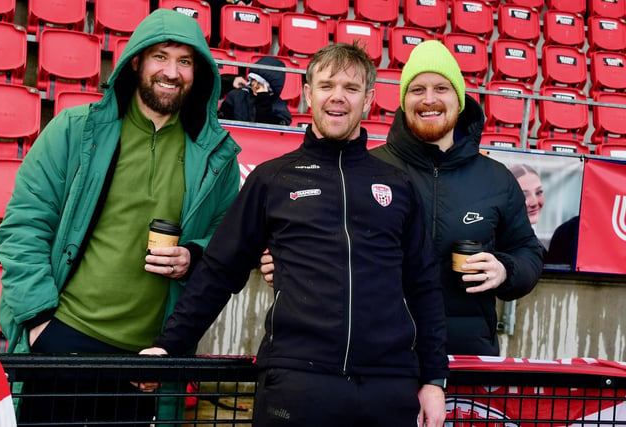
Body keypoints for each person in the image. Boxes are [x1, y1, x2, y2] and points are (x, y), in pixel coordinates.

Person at [141, 42, 449, 427]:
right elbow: (220, 271)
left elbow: (424, 286)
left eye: (351, 89)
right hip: (297, 381)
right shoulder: (272, 179)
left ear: (368, 99)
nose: (337, 97)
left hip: (387, 385)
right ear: (308, 94)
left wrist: (434, 380)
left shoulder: (397, 184)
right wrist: (168, 346)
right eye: (326, 86)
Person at [0, 8, 241, 426]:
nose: (172, 71)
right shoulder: (75, 129)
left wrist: (192, 256)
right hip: (63, 340)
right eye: (161, 57)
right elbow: (24, 226)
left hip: (145, 363)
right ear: (136, 61)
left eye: (185, 61)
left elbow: (227, 242)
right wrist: (40, 323)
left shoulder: (217, 158)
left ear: (198, 73)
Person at [261, 40, 544, 357]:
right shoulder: (368, 169)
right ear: (403, 101)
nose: (429, 99)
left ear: (460, 99)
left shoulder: (497, 178)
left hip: (467, 355)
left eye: (441, 88)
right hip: (383, 360)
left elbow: (529, 253)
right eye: (417, 90)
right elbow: (330, 245)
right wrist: (290, 262)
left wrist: (505, 270)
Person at [218, 55, 292, 125]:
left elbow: (272, 132)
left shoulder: (279, 106)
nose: (255, 86)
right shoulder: (236, 96)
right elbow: (221, 120)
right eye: (253, 80)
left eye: (261, 83)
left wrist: (263, 99)